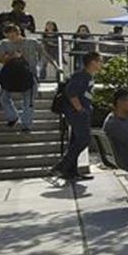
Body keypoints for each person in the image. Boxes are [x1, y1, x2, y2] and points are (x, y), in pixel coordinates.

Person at [0, 23, 57, 132]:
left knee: (28, 100)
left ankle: (26, 125)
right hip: (11, 74)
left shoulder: (32, 42)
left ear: (18, 33)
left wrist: (56, 66)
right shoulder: (5, 44)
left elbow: (44, 53)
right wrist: (12, 56)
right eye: (8, 37)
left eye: (12, 36)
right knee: (3, 97)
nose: (11, 39)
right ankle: (12, 117)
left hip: (29, 74)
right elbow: (1, 59)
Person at [54, 52, 103, 180]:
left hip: (82, 111)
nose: (101, 64)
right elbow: (71, 93)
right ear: (93, 62)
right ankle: (62, 166)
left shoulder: (88, 76)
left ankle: (71, 171)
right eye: (99, 61)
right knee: (84, 139)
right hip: (77, 113)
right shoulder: (82, 76)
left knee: (75, 141)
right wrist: (80, 109)